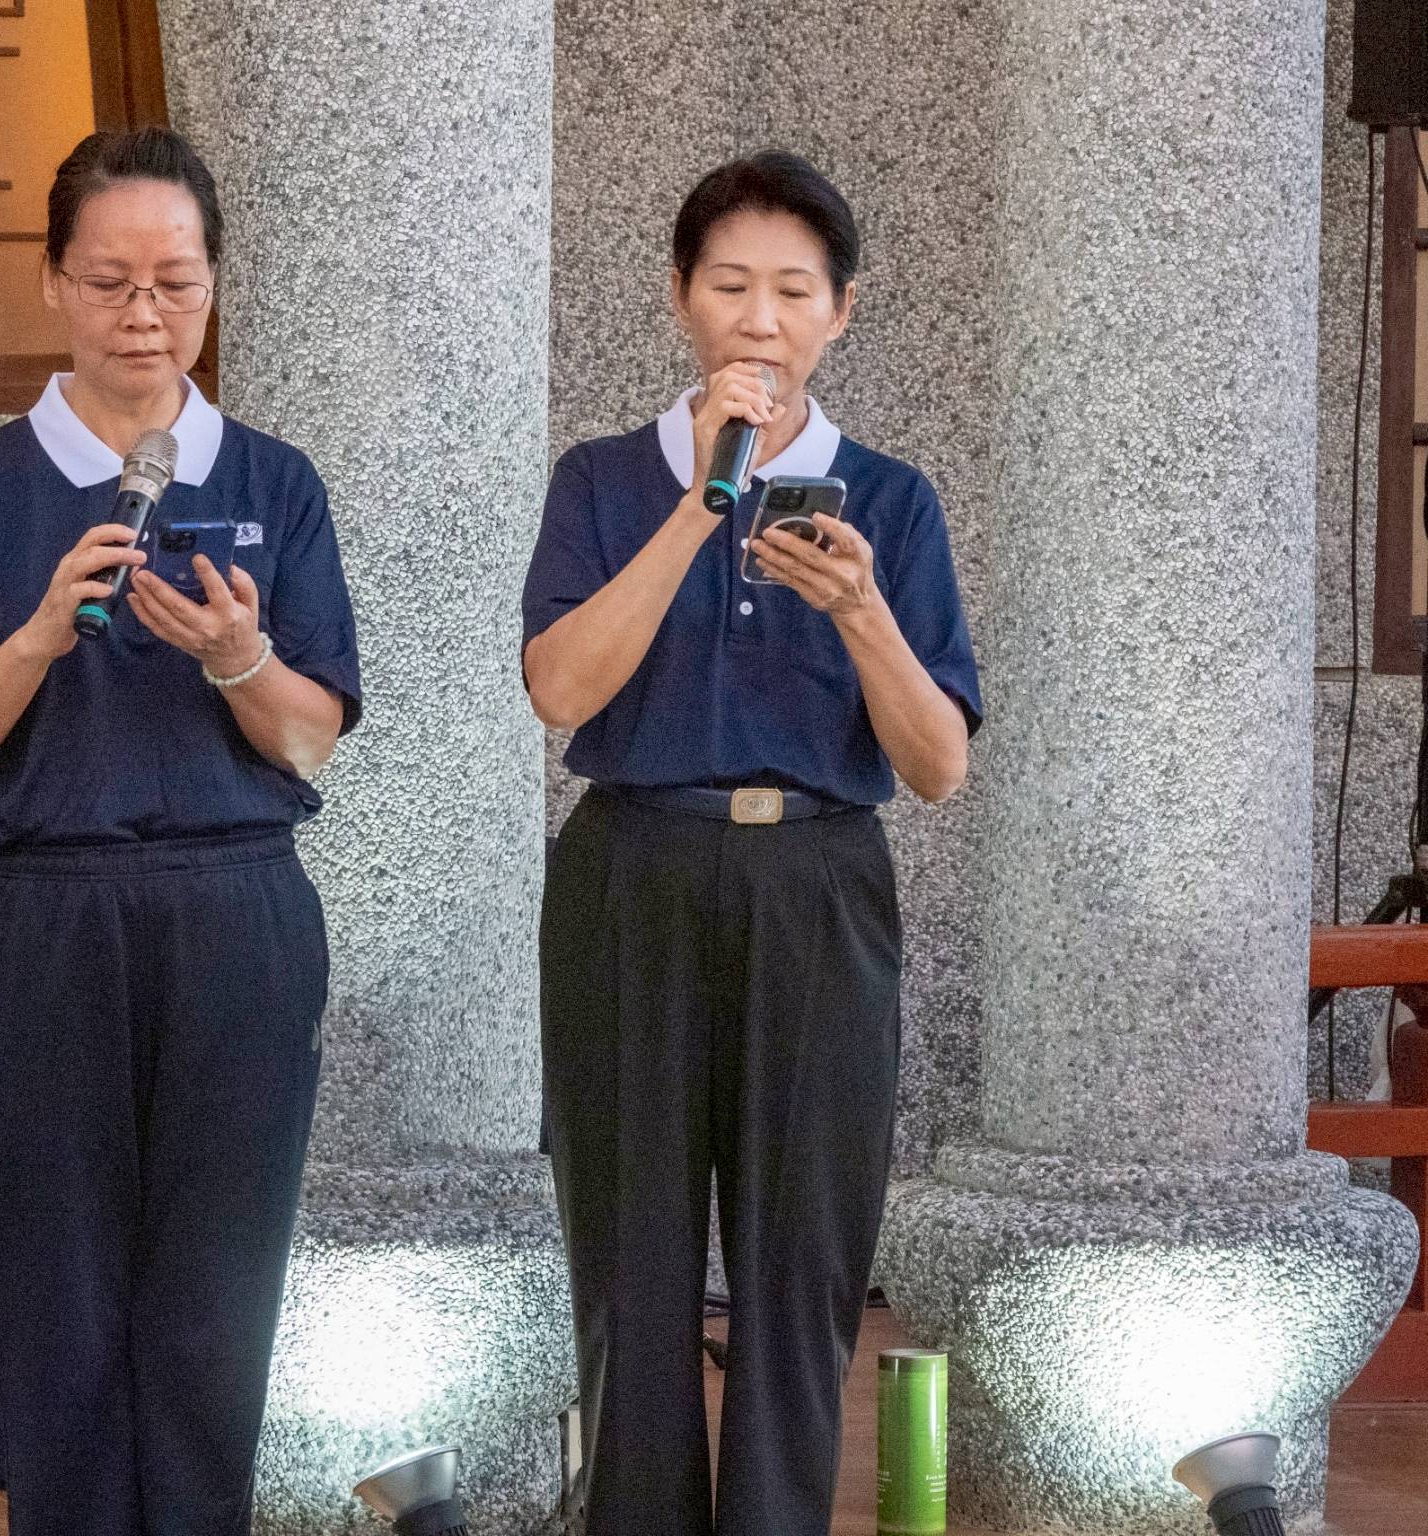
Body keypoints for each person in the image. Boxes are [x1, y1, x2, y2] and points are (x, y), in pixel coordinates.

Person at [0, 126, 360, 1536]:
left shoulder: (276, 482)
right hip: (42, 911)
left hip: (236, 910)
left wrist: (233, 656)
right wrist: (38, 634)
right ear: (54, 287)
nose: (144, 314)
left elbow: (310, 732)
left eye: (175, 280)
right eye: (109, 282)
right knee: (58, 1292)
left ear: (214, 287)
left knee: (219, 1291)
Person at [521, 150, 982, 1536]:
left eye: (794, 290)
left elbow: (938, 765)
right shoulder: (606, 480)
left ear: (842, 312)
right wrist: (695, 511)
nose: (761, 320)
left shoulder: (888, 503)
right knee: (633, 1263)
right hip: (632, 873)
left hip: (820, 885)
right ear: (681, 301)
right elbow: (560, 691)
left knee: (802, 1269)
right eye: (732, 286)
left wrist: (861, 612)